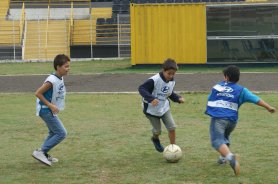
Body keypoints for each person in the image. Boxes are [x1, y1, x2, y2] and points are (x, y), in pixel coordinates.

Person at [205, 65, 275, 176]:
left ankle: (231, 158)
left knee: (217, 141)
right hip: (232, 121)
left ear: (226, 77)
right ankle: (223, 158)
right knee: (225, 137)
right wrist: (268, 107)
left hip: (219, 119)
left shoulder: (217, 87)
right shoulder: (242, 90)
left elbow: (210, 98)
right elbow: (256, 99)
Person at [138, 58, 184, 153]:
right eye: (169, 73)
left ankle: (173, 149)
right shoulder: (154, 80)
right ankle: (155, 138)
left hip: (164, 108)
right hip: (151, 110)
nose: (171, 76)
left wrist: (178, 98)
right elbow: (141, 88)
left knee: (172, 128)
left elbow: (169, 93)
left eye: (173, 74)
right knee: (157, 131)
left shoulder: (172, 81)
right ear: (164, 70)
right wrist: (151, 99)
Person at [32, 54, 70, 166]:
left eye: (69, 66)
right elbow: (38, 93)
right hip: (45, 110)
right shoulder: (51, 80)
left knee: (53, 132)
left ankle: (43, 153)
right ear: (58, 67)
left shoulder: (59, 77)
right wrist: (50, 105)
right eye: (66, 66)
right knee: (62, 133)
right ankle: (41, 152)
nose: (68, 69)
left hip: (49, 110)